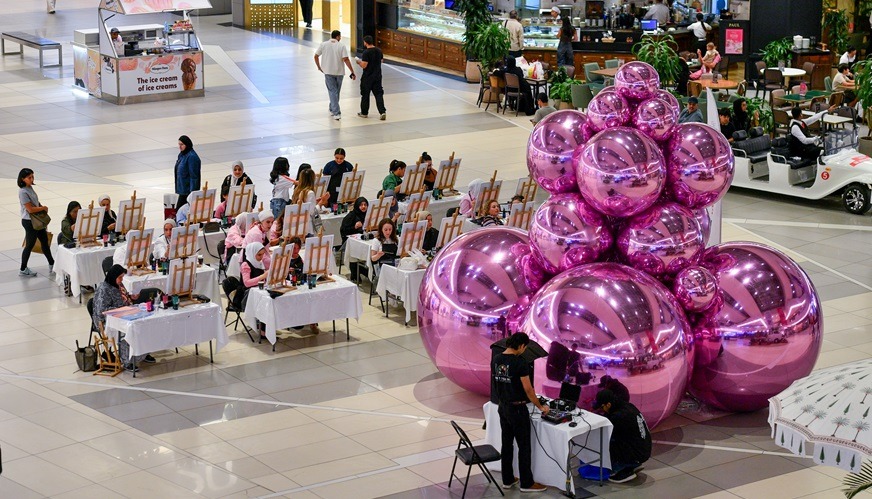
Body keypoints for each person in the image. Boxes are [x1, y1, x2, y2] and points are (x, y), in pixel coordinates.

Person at [491, 332, 549, 492]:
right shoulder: (520, 362)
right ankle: (527, 483)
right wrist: (541, 407)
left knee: (506, 444)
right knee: (524, 446)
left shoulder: (496, 359)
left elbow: (496, 383)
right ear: (522, 345)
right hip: (517, 409)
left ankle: (507, 479)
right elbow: (528, 389)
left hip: (503, 407)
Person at [92, 264, 154, 371]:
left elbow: (124, 298)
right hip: (107, 321)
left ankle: (142, 353)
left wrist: (131, 297)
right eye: (120, 277)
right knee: (128, 330)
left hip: (126, 315)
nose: (121, 280)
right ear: (113, 276)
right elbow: (102, 310)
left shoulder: (119, 285)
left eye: (122, 277)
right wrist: (122, 309)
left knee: (143, 324)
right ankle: (127, 361)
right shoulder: (104, 289)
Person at [593, 389, 652, 484]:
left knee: (605, 441)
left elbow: (606, 432)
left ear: (608, 404)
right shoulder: (628, 406)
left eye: (602, 407)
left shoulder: (619, 416)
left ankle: (623, 469)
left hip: (638, 453)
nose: (602, 410)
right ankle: (633, 463)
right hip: (644, 448)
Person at [18, 168, 54, 278]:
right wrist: (43, 208)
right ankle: (23, 269)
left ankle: (52, 263)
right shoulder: (23, 191)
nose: (32, 179)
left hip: (36, 220)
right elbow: (30, 209)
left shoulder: (30, 187)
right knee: (29, 245)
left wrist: (41, 207)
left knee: (44, 242)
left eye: (32, 176)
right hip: (29, 222)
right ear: (22, 179)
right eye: (29, 177)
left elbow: (35, 202)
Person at [314, 30, 356, 120]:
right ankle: (336, 112)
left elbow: (316, 56)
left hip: (328, 72)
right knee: (336, 92)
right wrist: (352, 71)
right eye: (340, 36)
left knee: (333, 92)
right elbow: (346, 59)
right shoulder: (341, 46)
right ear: (337, 37)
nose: (340, 38)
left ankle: (332, 108)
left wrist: (319, 67)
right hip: (339, 72)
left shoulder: (323, 44)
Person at [235, 242, 270, 335]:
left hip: (257, 291)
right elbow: (247, 283)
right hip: (246, 295)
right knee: (263, 301)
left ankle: (267, 325)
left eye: (262, 254)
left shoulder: (259, 263)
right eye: (259, 255)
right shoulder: (245, 265)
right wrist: (263, 276)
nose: (261, 257)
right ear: (252, 253)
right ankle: (262, 328)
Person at [356, 35, 387, 121]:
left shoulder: (366, 52)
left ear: (365, 42)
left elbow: (364, 65)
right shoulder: (379, 50)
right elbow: (381, 60)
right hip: (377, 76)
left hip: (367, 77)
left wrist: (358, 62)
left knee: (365, 95)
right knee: (378, 94)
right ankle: (382, 112)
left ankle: (364, 112)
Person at [174, 135, 201, 210]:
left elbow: (194, 177)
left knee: (179, 211)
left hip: (187, 192)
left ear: (187, 144)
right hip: (182, 190)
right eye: (179, 144)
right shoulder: (182, 154)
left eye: (182, 144)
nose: (180, 147)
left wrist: (192, 193)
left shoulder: (192, 157)